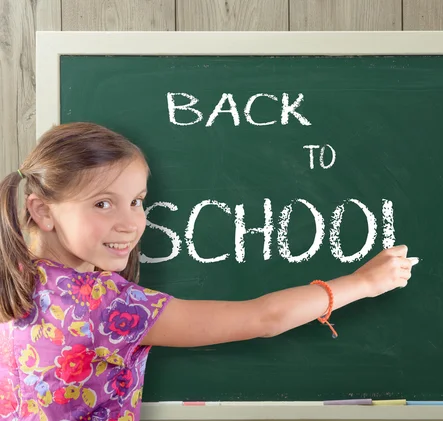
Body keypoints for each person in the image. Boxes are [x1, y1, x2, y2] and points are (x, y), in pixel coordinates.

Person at [0, 122, 417, 421]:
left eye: (138, 201)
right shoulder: (103, 304)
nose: (130, 222)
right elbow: (263, 318)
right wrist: (362, 283)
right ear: (42, 210)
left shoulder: (12, 273)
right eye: (103, 203)